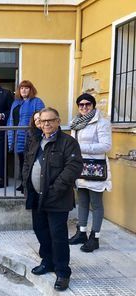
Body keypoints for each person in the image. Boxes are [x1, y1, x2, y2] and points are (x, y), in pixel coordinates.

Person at [22, 107, 83, 292]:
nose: (46, 124)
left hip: (57, 198)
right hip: (36, 197)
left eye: (51, 120)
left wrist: (54, 189)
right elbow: (27, 163)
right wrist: (27, 185)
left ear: (58, 121)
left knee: (58, 236)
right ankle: (47, 261)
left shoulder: (68, 142)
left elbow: (73, 168)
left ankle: (63, 272)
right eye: (43, 120)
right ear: (39, 122)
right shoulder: (36, 140)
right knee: (40, 231)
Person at [68, 93, 112, 253]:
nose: (84, 107)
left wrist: (80, 148)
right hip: (80, 167)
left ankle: (95, 237)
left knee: (96, 203)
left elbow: (106, 146)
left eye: (87, 104)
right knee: (83, 201)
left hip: (95, 168)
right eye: (81, 105)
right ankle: (81, 233)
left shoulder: (101, 122)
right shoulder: (76, 122)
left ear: (93, 105)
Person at [8, 80, 45, 193]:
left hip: (30, 136)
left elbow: (41, 118)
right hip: (17, 136)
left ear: (31, 89)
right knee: (22, 161)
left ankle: (29, 185)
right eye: (21, 88)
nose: (24, 90)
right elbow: (11, 119)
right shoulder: (16, 103)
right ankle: (23, 183)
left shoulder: (37, 101)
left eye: (26, 88)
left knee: (31, 161)